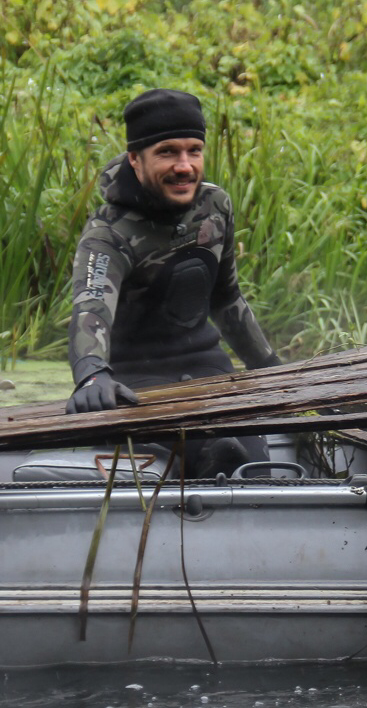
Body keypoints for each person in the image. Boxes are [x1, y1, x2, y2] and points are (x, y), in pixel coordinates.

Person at [65, 88, 282, 476]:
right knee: (209, 456)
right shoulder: (108, 233)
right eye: (167, 152)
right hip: (139, 385)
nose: (185, 166)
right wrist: (92, 373)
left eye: (193, 150)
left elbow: (227, 299)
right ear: (135, 158)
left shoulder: (216, 206)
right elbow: (90, 310)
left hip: (209, 373)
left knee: (254, 464)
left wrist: (272, 369)